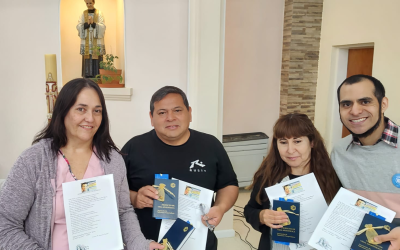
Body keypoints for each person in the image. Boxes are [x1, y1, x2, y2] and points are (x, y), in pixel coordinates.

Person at [0, 78, 163, 250]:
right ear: (63, 111)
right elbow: (5, 224)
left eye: (97, 111)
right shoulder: (33, 160)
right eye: (81, 109)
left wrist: (141, 244)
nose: (90, 118)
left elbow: (123, 212)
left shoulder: (112, 159)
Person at [121, 86, 239, 250]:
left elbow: (228, 184)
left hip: (198, 243)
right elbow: (113, 192)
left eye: (177, 110)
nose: (170, 118)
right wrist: (135, 198)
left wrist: (220, 207)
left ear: (189, 113)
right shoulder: (134, 148)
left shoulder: (210, 145)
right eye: (162, 113)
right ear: (151, 117)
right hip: (147, 244)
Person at [244, 113, 341, 250]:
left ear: (312, 142)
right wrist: (261, 216)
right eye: (283, 142)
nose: (290, 150)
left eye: (297, 141)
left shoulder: (331, 176)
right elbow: (250, 210)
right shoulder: (268, 176)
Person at [331, 74, 400, 248]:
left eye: (365, 101)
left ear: (383, 104)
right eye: (346, 104)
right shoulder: (339, 151)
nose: (355, 111)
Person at [77, 0, 106, 78]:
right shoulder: (83, 14)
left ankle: (97, 76)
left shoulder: (99, 13)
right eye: (87, 3)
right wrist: (86, 24)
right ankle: (87, 76)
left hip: (96, 40)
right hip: (87, 40)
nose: (89, 5)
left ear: (93, 3)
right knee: (87, 57)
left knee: (96, 57)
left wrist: (93, 23)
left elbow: (103, 26)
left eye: (90, 3)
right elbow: (79, 25)